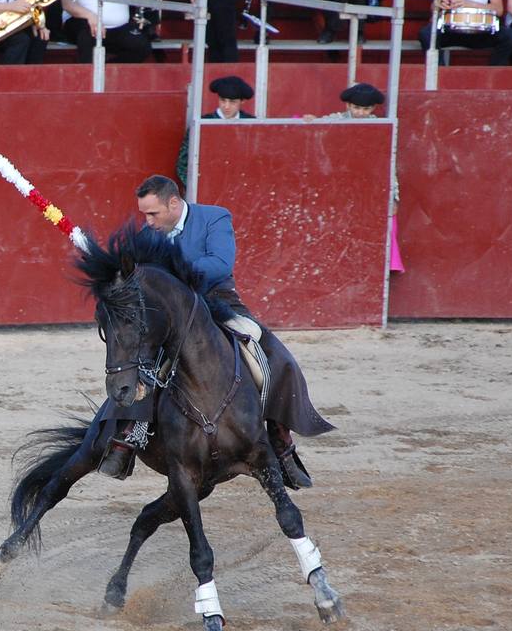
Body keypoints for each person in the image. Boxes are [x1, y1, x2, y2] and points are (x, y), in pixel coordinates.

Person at [100, 174, 332, 486]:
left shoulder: (214, 218)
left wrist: (173, 272)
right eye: (144, 214)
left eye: (153, 213)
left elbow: (221, 264)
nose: (149, 222)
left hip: (218, 302)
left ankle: (281, 441)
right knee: (139, 360)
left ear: (173, 203)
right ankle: (127, 435)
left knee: (276, 357)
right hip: (174, 314)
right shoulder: (149, 233)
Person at [175, 75, 255, 186]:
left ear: (242, 102)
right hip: (208, 185)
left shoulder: (252, 123)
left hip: (242, 186)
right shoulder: (202, 123)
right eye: (223, 100)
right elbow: (183, 164)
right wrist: (197, 187)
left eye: (232, 102)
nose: (226, 106)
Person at [303, 80, 383, 119]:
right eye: (356, 107)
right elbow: (320, 123)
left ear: (373, 108)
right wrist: (313, 119)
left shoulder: (376, 121)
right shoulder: (337, 118)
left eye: (366, 109)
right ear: (348, 105)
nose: (361, 113)